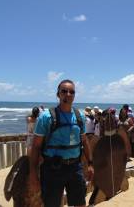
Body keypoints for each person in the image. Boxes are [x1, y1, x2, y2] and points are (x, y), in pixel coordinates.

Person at [29, 79, 94, 207]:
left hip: (75, 168)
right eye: (64, 91)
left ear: (74, 95)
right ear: (58, 94)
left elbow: (84, 141)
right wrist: (32, 173)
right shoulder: (46, 117)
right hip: (52, 169)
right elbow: (36, 147)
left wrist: (90, 164)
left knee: (80, 203)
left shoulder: (79, 116)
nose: (68, 94)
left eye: (72, 92)